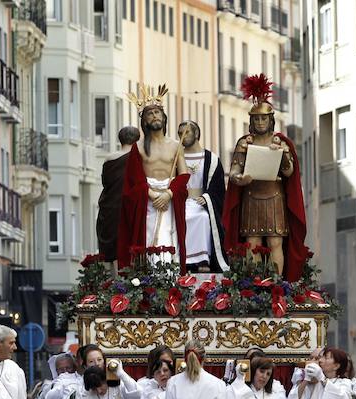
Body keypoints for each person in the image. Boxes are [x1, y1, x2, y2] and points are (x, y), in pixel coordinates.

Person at [222, 73, 306, 281]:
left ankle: (277, 282)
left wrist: (281, 153)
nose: (260, 122)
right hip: (251, 195)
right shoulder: (245, 142)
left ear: (271, 120)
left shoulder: (281, 141)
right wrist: (239, 179)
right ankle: (255, 283)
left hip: (275, 196)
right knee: (252, 242)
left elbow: (289, 173)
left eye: (263, 118)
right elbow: (233, 171)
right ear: (251, 121)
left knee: (275, 242)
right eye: (256, 118)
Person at [117, 83, 190, 270]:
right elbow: (134, 179)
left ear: (164, 118)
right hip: (147, 201)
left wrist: (169, 194)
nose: (155, 116)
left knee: (169, 234)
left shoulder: (175, 145)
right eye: (150, 113)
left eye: (158, 112)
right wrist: (151, 194)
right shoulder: (138, 147)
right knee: (148, 237)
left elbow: (183, 175)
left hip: (169, 199)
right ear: (144, 121)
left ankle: (170, 277)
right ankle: (149, 278)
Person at [177, 120, 228, 272]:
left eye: (186, 132)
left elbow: (218, 189)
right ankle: (183, 260)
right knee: (180, 218)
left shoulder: (211, 159)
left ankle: (202, 261)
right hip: (182, 202)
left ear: (196, 134)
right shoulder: (177, 158)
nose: (182, 136)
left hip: (202, 204)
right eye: (180, 133)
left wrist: (206, 198)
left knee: (203, 218)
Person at [97, 126, 141, 263]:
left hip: (110, 208)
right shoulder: (139, 158)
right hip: (129, 208)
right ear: (138, 140)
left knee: (113, 256)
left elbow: (105, 182)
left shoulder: (109, 159)